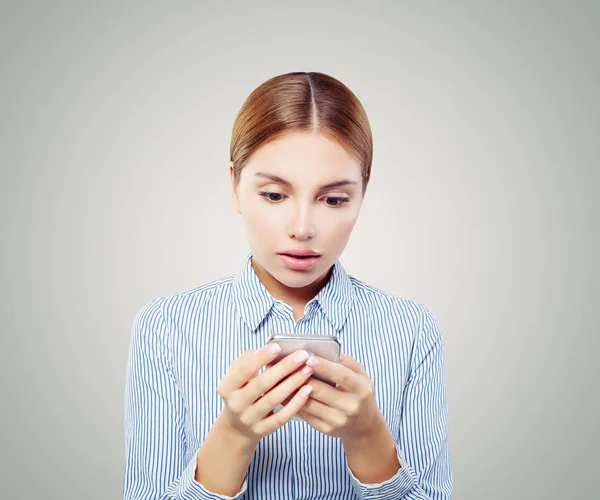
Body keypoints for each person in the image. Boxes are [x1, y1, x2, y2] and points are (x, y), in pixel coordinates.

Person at [123, 71, 452, 499]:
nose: (302, 228)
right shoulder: (165, 328)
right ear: (235, 187)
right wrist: (234, 435)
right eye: (275, 195)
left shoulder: (413, 331)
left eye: (334, 199)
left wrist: (368, 437)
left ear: (363, 195)